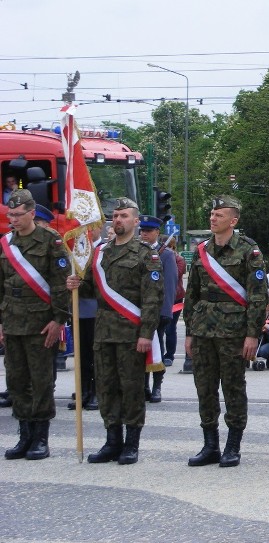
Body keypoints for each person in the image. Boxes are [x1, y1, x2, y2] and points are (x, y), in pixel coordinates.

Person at [66, 198, 163, 465]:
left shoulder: (146, 254)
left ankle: (131, 443)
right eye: (115, 216)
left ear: (135, 221)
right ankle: (112, 440)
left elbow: (152, 298)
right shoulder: (101, 253)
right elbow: (92, 290)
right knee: (106, 387)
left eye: (123, 216)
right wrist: (76, 283)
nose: (117, 220)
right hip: (104, 332)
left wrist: (146, 333)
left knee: (131, 388)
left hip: (131, 333)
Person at [184, 195, 267, 468]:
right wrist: (189, 331)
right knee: (204, 388)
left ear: (233, 220)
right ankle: (210, 445)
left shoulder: (248, 251)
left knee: (233, 388)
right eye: (211, 213)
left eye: (219, 215)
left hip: (233, 332)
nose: (213, 218)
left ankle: (233, 446)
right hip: (203, 332)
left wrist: (252, 334)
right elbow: (191, 294)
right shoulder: (201, 252)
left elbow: (257, 296)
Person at [1, 189, 70, 460]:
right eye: (11, 215)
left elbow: (60, 284)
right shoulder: (6, 243)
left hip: (41, 322)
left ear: (32, 213)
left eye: (18, 215)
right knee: (16, 380)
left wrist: (58, 320)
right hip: (13, 321)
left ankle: (41, 438)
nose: (14, 220)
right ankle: (24, 435)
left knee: (41, 381)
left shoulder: (50, 241)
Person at [138, 216, 176, 403]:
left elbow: (169, 285)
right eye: (142, 231)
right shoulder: (137, 252)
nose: (144, 234)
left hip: (158, 311)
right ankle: (143, 385)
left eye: (149, 231)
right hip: (139, 311)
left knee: (157, 348)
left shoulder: (166, 254)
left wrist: (165, 312)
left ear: (157, 233)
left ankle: (157, 386)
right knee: (141, 349)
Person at [68, 223, 104, 412]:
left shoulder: (103, 250)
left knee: (96, 354)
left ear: (99, 228)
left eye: (90, 228)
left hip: (97, 310)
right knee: (81, 355)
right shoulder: (73, 249)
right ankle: (82, 391)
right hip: (78, 310)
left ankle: (97, 391)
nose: (86, 232)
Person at [163, 235, 186, 366]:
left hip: (175, 297)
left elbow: (174, 275)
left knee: (170, 328)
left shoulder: (179, 259)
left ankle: (169, 355)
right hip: (161, 297)